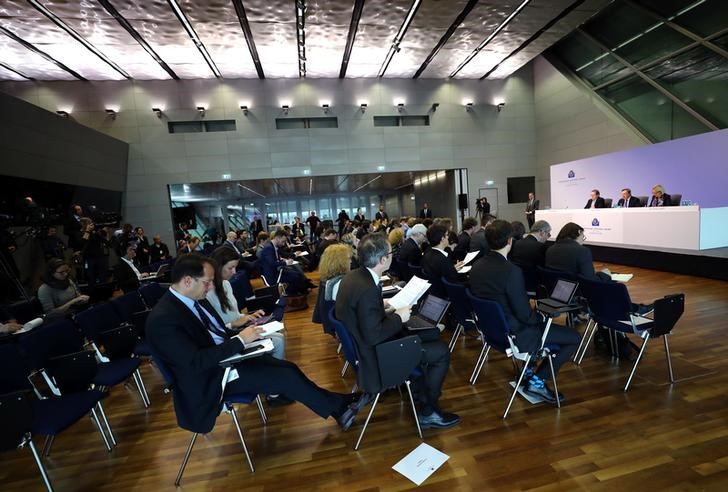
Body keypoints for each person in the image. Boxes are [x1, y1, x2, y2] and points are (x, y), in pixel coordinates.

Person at [145, 254, 369, 434]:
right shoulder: (164, 318)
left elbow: (215, 332)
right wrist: (241, 340)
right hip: (209, 381)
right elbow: (194, 363)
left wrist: (241, 335)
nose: (210, 287)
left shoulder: (193, 301)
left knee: (288, 368)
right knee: (284, 376)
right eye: (206, 283)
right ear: (187, 281)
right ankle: (340, 408)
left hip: (224, 362)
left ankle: (339, 404)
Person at [335, 233, 460, 429]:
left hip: (365, 346)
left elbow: (362, 313)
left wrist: (384, 308)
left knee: (431, 333)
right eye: (390, 252)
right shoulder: (368, 287)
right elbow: (373, 335)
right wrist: (398, 317)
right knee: (441, 351)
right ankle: (429, 412)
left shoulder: (353, 277)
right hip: (375, 356)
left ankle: (419, 390)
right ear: (383, 259)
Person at [469, 220, 580, 404]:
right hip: (516, 334)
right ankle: (538, 381)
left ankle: (528, 370)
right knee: (574, 337)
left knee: (541, 324)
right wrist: (541, 316)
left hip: (492, 331)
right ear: (510, 241)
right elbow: (524, 315)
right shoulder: (511, 271)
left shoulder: (477, 266)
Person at [545, 222, 611, 281]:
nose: (583, 240)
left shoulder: (550, 249)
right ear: (578, 233)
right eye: (583, 237)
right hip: (577, 291)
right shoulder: (582, 251)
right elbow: (591, 280)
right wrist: (604, 275)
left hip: (553, 289)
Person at [312, 244, 352, 335]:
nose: (350, 261)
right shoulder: (340, 284)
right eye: (348, 258)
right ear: (341, 262)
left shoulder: (329, 281)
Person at [259, 229, 311, 294]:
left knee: (297, 274)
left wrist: (284, 260)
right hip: (272, 274)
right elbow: (271, 263)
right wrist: (286, 262)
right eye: (283, 241)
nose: (284, 244)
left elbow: (281, 255)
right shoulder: (268, 248)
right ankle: (291, 295)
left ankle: (296, 293)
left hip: (277, 270)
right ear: (277, 238)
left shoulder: (273, 246)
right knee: (295, 277)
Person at [422, 224, 464, 297]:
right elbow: (454, 281)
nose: (448, 237)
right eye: (447, 235)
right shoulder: (443, 260)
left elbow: (443, 273)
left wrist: (453, 268)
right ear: (442, 239)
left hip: (434, 292)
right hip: (447, 294)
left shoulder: (427, 253)